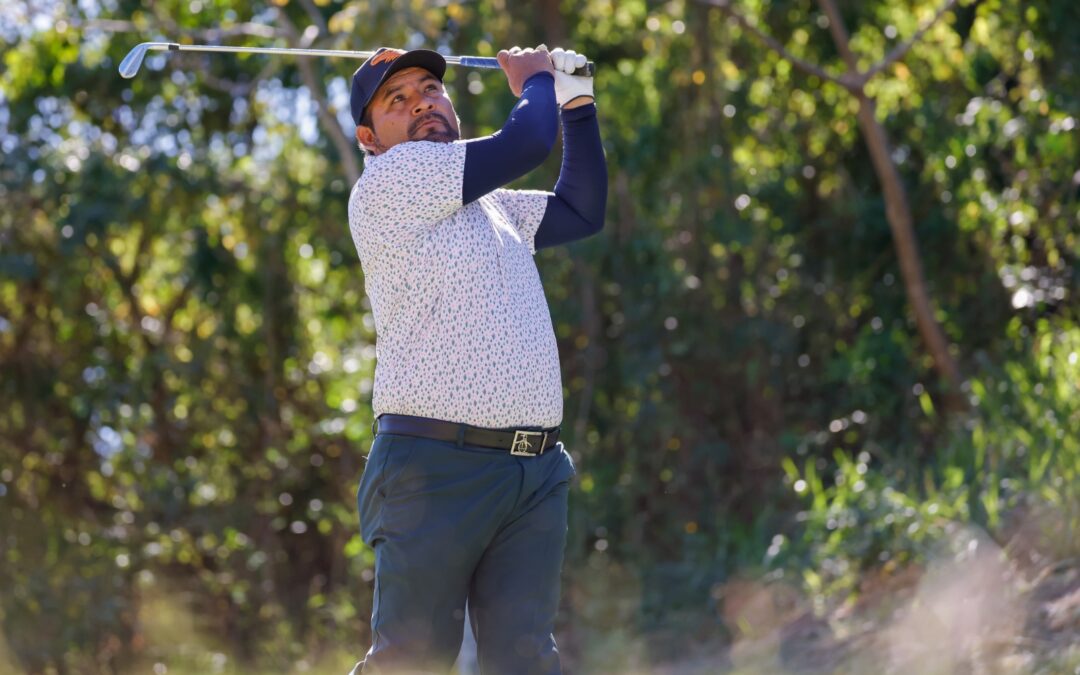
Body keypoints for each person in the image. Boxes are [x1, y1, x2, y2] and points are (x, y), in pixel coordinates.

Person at [345, 43, 606, 675]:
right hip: (435, 469)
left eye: (430, 91)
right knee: (412, 663)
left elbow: (581, 210)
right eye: (396, 101)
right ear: (369, 137)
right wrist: (535, 83)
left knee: (525, 662)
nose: (421, 105)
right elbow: (525, 143)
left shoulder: (489, 204)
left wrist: (576, 104)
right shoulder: (390, 181)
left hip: (534, 471)